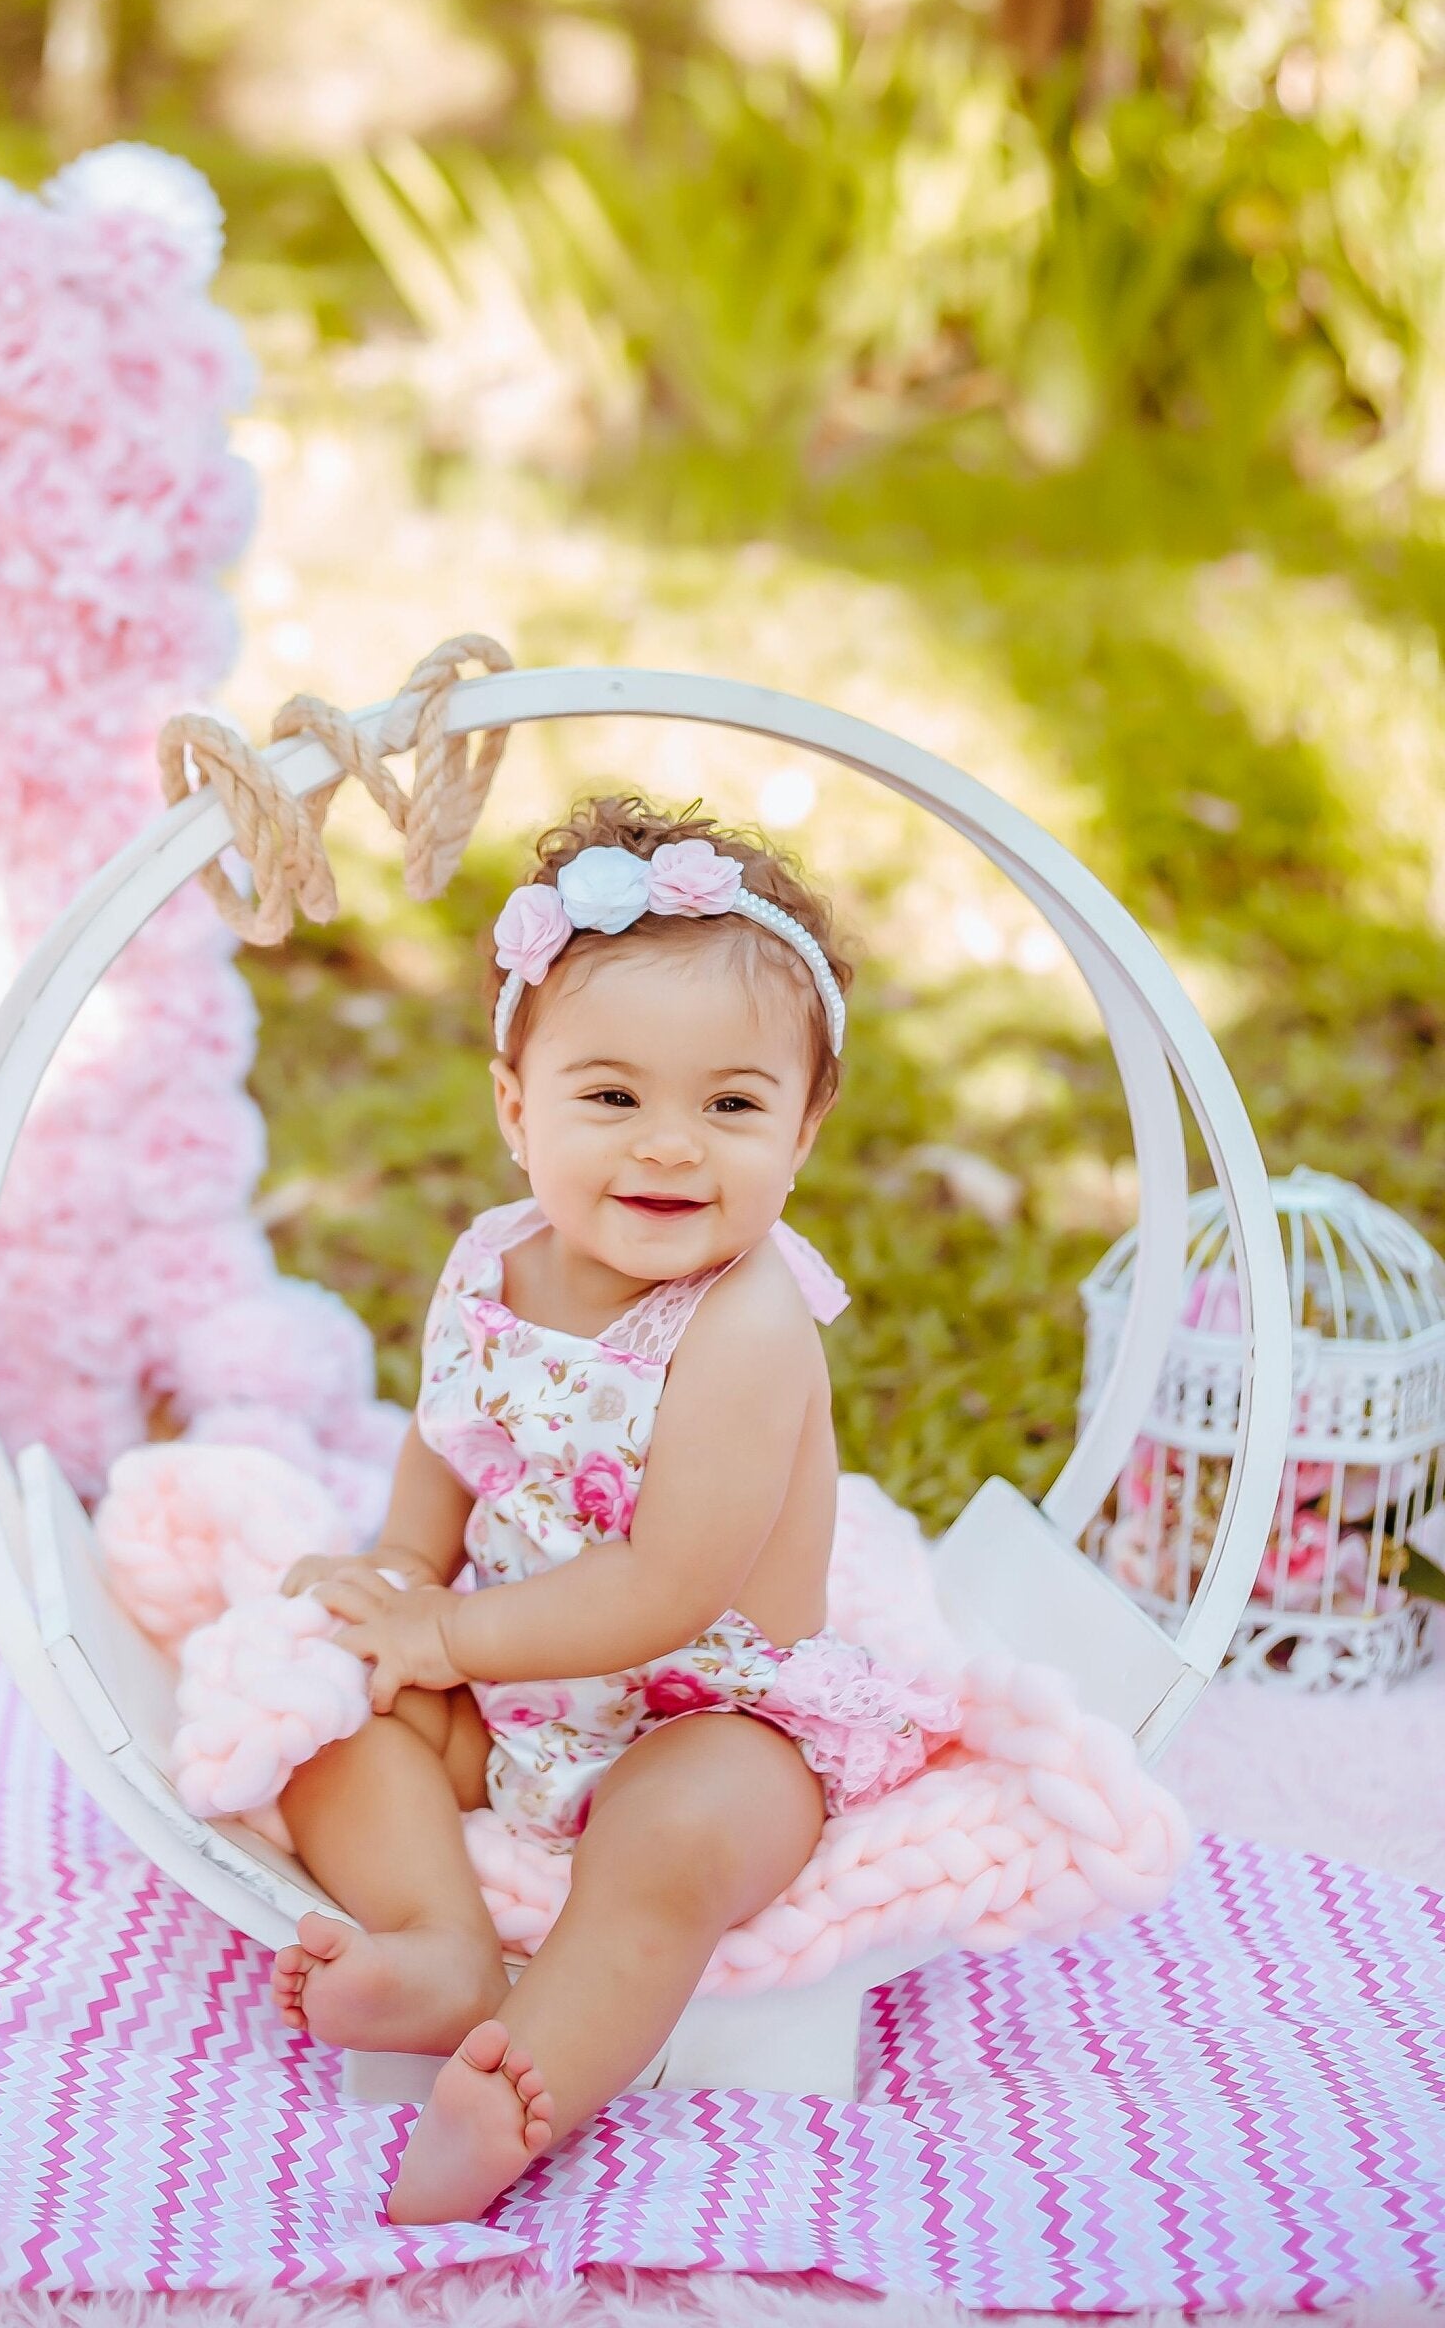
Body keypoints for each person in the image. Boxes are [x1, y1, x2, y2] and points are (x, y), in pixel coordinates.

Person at [270, 797, 948, 2224]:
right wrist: (404, 1572)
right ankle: (439, 1944)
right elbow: (454, 1427)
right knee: (330, 1724)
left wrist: (448, 1631)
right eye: (613, 1096)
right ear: (518, 1108)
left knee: (674, 1844)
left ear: (807, 1127)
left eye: (733, 1105)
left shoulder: (749, 1324)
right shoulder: (497, 1256)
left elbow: (668, 1587)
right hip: (516, 1684)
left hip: (709, 1702)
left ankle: (528, 2086)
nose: (669, 1149)